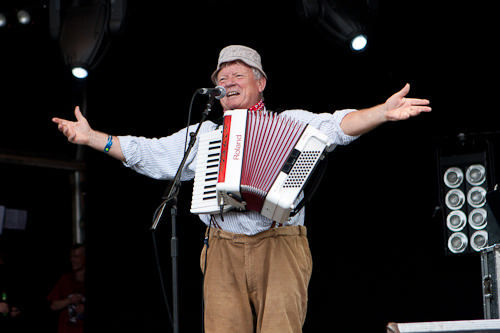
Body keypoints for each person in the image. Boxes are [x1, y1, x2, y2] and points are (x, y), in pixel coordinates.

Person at [52, 45, 431, 332]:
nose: (228, 83)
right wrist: (92, 139)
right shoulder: (205, 134)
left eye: (238, 75)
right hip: (222, 248)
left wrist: (382, 111)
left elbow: (338, 126)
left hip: (280, 243)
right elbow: (147, 152)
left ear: (260, 82)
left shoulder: (292, 122)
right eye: (222, 78)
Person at [47, 244, 86, 333]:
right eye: (71, 257)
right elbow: (53, 305)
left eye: (76, 257)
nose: (72, 260)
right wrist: (69, 300)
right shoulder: (66, 278)